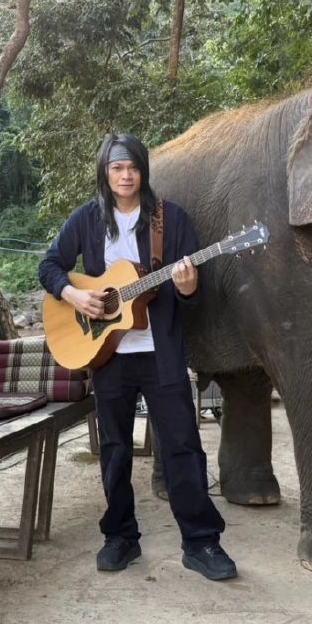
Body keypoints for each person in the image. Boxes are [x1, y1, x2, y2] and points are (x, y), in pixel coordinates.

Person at [39, 134, 236, 581]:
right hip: (108, 356)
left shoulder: (171, 219)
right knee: (115, 449)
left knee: (183, 445)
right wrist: (75, 294)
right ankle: (120, 537)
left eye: (132, 168)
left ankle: (202, 542)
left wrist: (187, 286)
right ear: (105, 173)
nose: (125, 176)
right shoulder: (87, 220)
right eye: (116, 168)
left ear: (143, 171)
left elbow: (193, 292)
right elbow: (49, 265)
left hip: (160, 353)